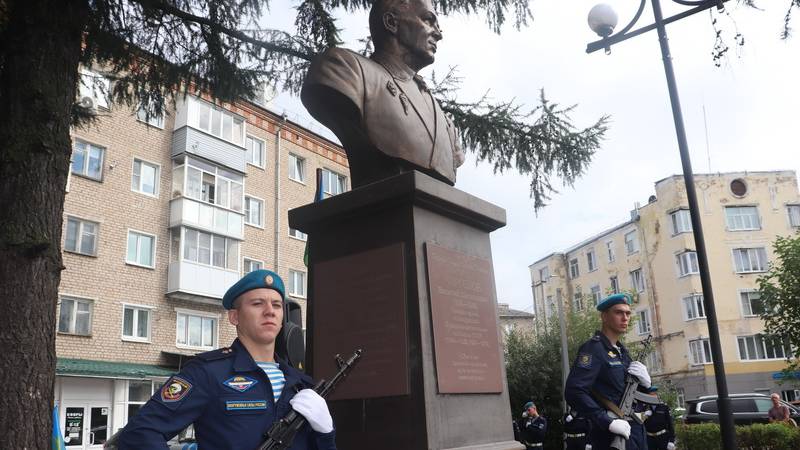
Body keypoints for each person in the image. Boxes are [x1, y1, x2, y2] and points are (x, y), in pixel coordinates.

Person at [118, 269, 337, 450]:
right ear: (234, 316)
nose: (269, 311)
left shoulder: (301, 384)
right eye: (258, 303)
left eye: (276, 305)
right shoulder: (207, 373)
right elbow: (140, 434)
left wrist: (326, 434)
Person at [301, 0, 465, 188]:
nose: (438, 34)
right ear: (391, 22)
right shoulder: (345, 69)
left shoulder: (446, 124)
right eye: (428, 20)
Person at [565, 293, 652, 450]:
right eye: (619, 312)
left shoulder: (622, 352)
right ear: (604, 317)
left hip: (635, 432)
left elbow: (628, 391)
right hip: (610, 435)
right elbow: (574, 391)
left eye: (628, 313)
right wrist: (607, 421)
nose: (625, 318)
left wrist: (646, 384)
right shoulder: (593, 349)